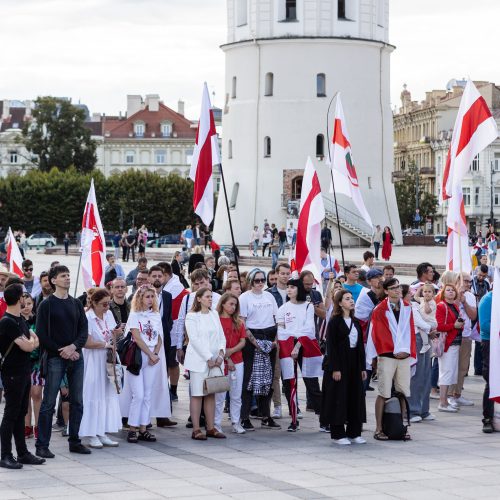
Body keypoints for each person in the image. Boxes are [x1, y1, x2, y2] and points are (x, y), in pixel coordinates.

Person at [35, 265, 90, 458]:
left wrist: (74, 347)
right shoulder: (46, 304)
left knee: (77, 401)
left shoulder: (75, 303)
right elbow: (41, 333)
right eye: (63, 276)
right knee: (48, 403)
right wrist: (63, 351)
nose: (67, 278)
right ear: (53, 280)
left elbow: (84, 330)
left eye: (68, 275)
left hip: (76, 356)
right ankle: (42, 445)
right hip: (55, 358)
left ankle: (74, 441)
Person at [0, 284, 45, 469]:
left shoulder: (20, 320)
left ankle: (23, 453)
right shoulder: (7, 322)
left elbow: (35, 339)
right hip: (12, 374)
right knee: (11, 414)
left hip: (24, 372)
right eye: (23, 297)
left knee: (21, 414)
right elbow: (29, 345)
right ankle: (5, 455)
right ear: (19, 299)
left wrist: (31, 342)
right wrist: (31, 342)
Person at [120, 284, 171, 443]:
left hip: (152, 357)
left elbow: (159, 336)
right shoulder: (135, 315)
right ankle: (132, 427)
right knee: (139, 395)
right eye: (147, 297)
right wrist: (149, 354)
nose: (150, 300)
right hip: (138, 356)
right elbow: (136, 337)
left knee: (147, 394)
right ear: (140, 298)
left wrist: (155, 353)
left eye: (152, 296)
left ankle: (143, 427)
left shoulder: (155, 314)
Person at [367, 278, 416, 441]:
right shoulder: (379, 309)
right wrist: (394, 350)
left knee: (402, 392)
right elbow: (378, 334)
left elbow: (409, 330)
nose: (398, 290)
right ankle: (379, 428)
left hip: (403, 355)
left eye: (399, 287)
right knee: (383, 392)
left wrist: (407, 351)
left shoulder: (408, 307)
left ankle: (402, 427)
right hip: (387, 355)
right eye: (393, 288)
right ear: (386, 291)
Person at [277, 278, 323, 432]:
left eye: (292, 287)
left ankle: (324, 419)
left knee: (312, 384)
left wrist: (297, 343)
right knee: (290, 383)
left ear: (299, 289)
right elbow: (281, 330)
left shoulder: (308, 306)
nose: (289, 290)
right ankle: (294, 419)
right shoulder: (283, 308)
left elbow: (309, 328)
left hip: (304, 346)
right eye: (287, 287)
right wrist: (292, 341)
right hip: (287, 348)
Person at [80, 289, 123, 448]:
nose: (107, 307)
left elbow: (111, 336)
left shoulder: (108, 315)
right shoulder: (87, 317)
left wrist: (116, 334)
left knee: (106, 394)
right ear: (94, 303)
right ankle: (90, 433)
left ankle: (101, 431)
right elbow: (86, 342)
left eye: (109, 303)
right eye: (104, 304)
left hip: (106, 359)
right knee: (92, 394)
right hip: (93, 360)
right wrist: (105, 344)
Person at [323, 289, 366, 444]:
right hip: (340, 362)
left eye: (351, 298)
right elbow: (331, 346)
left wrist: (362, 367)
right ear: (340, 303)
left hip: (354, 361)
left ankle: (354, 432)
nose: (351, 301)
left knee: (356, 395)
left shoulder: (355, 322)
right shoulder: (334, 322)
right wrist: (335, 368)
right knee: (338, 397)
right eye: (347, 299)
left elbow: (360, 345)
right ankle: (338, 434)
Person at [239, 269, 280, 431]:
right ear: (250, 281)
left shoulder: (269, 296)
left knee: (267, 379)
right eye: (257, 280)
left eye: (263, 280)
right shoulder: (244, 298)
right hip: (253, 337)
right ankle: (244, 417)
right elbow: (242, 322)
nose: (261, 283)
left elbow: (277, 319)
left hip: (269, 336)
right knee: (249, 379)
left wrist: (275, 340)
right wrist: (254, 342)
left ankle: (265, 415)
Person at [184, 287, 227, 440]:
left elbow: (222, 336)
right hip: (199, 361)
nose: (210, 299)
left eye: (211, 296)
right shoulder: (191, 316)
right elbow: (194, 340)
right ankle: (196, 429)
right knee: (197, 394)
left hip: (215, 361)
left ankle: (211, 427)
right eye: (207, 296)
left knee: (211, 393)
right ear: (199, 298)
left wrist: (221, 354)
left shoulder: (214, 314)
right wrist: (208, 357)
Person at [215, 293, 246, 434]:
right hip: (221, 361)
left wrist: (231, 351)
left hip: (238, 361)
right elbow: (215, 342)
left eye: (235, 305)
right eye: (230, 304)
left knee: (236, 394)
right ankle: (216, 423)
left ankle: (235, 421)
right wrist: (227, 358)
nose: (233, 307)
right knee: (219, 395)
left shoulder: (239, 322)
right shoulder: (215, 320)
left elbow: (243, 341)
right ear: (222, 304)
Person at [448, 273, 477, 407]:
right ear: (458, 280)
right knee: (451, 366)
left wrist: (464, 301)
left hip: (465, 336)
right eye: (465, 281)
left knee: (463, 367)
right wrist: (458, 299)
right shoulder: (450, 293)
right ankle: (448, 395)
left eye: (470, 281)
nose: (468, 284)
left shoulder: (470, 296)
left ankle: (457, 394)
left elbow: (472, 315)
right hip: (452, 335)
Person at [408, 285, 436, 423]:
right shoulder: (409, 306)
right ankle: (413, 410)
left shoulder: (414, 304)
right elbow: (417, 322)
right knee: (417, 375)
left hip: (424, 337)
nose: (411, 294)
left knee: (426, 375)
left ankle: (424, 410)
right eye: (408, 292)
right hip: (416, 338)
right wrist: (430, 328)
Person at [435, 284, 464, 413]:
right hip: (448, 344)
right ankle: (442, 402)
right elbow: (439, 326)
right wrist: (455, 325)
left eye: (453, 290)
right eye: (448, 290)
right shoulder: (441, 306)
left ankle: (445, 400)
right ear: (443, 293)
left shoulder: (455, 306)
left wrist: (459, 325)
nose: (451, 292)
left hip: (455, 343)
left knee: (451, 372)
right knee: (446, 372)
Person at [20, 294, 39, 440]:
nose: (26, 307)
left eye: (29, 303)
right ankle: (27, 426)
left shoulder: (38, 320)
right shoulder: (16, 321)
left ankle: (38, 426)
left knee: (36, 393)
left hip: (37, 362)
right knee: (25, 396)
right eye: (23, 304)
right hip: (22, 363)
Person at [479, 289, 494, 432]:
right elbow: (484, 325)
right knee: (491, 381)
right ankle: (488, 419)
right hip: (490, 343)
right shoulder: (488, 300)